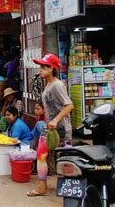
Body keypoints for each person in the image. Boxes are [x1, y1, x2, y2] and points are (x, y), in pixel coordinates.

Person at [28, 53, 74, 197]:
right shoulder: (48, 84)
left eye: (43, 67)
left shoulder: (57, 85)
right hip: (50, 128)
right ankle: (42, 187)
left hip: (61, 129)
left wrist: (55, 120)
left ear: (51, 69)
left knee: (66, 159)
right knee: (41, 155)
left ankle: (71, 189)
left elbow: (69, 106)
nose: (40, 70)